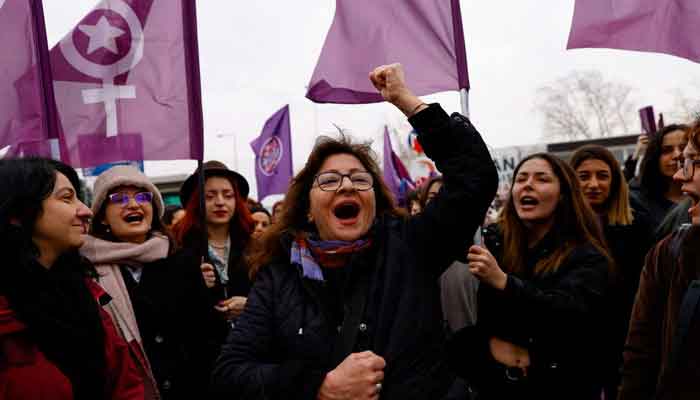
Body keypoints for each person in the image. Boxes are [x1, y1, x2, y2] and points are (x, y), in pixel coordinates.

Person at [210, 63, 498, 400]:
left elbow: (475, 178)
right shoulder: (279, 277)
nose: (346, 186)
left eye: (360, 179)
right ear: (308, 207)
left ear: (375, 201)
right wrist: (320, 386)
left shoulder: (412, 247)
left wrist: (407, 101)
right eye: (330, 180)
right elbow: (229, 374)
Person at [449, 153, 612, 399]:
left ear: (563, 194)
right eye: (521, 178)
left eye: (541, 179)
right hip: (494, 385)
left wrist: (503, 282)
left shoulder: (587, 256)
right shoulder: (494, 242)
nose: (528, 185)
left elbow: (569, 315)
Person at [0, 158, 143, 399]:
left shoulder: (87, 294)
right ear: (18, 212)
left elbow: (125, 383)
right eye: (66, 198)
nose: (86, 211)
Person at [81, 165, 218, 399]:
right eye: (119, 198)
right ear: (102, 215)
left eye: (143, 196)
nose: (133, 204)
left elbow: (208, 337)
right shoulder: (85, 269)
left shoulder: (183, 262)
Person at [619, 120, 700, 400]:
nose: (680, 173)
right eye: (670, 152)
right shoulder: (668, 251)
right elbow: (641, 353)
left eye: (694, 162)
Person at [569, 145, 652, 399]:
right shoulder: (556, 226)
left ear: (614, 180)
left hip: (624, 337)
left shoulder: (637, 223)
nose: (594, 184)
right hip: (574, 341)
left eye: (602, 176)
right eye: (584, 176)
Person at [172, 160, 255, 326]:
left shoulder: (256, 247)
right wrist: (193, 283)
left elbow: (277, 298)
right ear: (195, 202)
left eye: (228, 195)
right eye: (209, 196)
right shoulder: (176, 248)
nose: (220, 202)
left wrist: (251, 305)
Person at [631, 124, 688, 228]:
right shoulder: (637, 203)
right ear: (654, 158)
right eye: (667, 150)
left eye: (683, 148)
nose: (677, 155)